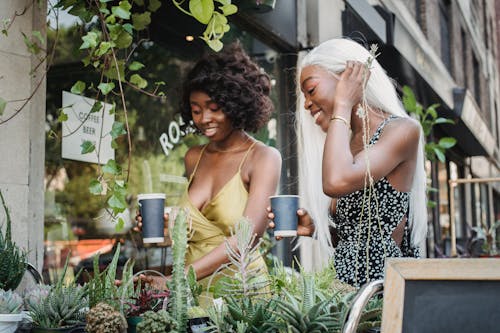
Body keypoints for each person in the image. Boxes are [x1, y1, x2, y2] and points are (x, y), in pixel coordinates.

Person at [268, 38, 427, 287]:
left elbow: (336, 181)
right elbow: (358, 236)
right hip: (344, 292)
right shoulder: (347, 145)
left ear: (347, 79)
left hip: (381, 294)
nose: (307, 103)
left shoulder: (401, 130)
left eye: (311, 90)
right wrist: (315, 229)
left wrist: (343, 103)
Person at [137, 42, 281, 294]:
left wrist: (178, 278)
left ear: (236, 104)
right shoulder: (194, 157)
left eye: (214, 108)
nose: (204, 119)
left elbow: (247, 239)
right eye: (196, 110)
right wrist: (164, 228)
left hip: (242, 294)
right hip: (192, 294)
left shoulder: (263, 157)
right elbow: (198, 235)